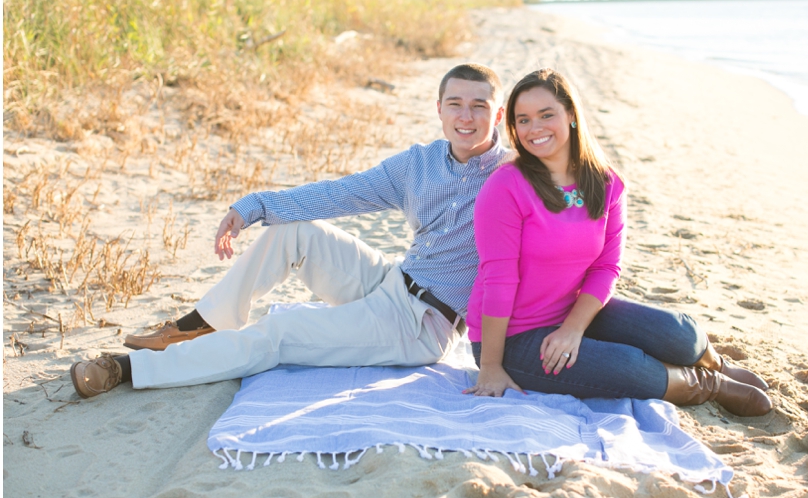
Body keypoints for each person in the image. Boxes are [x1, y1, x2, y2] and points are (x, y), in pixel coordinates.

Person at [69, 63, 509, 398]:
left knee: (279, 334)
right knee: (291, 233)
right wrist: (253, 207)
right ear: (439, 108)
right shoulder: (420, 162)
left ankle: (128, 369)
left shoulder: (514, 176)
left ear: (499, 113)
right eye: (455, 104)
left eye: (479, 106)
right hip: (392, 279)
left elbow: (566, 219)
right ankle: (201, 324)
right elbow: (341, 193)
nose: (466, 116)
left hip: (421, 325)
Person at [463, 68, 771, 417]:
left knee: (678, 334)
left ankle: (717, 365)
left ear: (571, 116)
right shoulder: (505, 187)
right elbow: (498, 279)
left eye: (546, 115)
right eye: (523, 120)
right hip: (513, 339)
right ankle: (707, 386)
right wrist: (490, 364)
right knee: (631, 365)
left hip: (571, 309)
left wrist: (573, 328)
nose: (534, 128)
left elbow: (606, 267)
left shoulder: (605, 182)